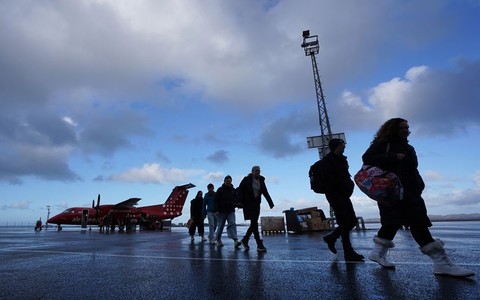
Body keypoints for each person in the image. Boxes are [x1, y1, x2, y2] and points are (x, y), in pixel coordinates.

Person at [362, 118, 474, 277]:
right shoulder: (384, 144)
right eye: (402, 127)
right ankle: (441, 263)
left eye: (407, 127)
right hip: (394, 192)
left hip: (409, 192)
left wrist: (419, 185)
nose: (406, 130)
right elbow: (367, 158)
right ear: (392, 129)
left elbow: (412, 170)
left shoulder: (408, 147)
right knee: (418, 224)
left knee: (392, 223)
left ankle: (378, 252)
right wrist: (394, 157)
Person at [321, 139, 364, 261]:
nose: (344, 146)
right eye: (342, 145)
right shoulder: (328, 161)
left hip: (344, 195)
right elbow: (329, 180)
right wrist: (341, 187)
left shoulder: (342, 159)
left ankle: (332, 237)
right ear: (337, 146)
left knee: (352, 221)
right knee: (345, 222)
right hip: (335, 195)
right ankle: (348, 252)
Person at [237, 166, 274, 252]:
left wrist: (270, 203)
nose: (258, 172)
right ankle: (259, 244)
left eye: (259, 171)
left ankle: (245, 240)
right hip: (248, 204)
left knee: (253, 224)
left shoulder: (261, 180)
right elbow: (240, 190)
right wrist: (239, 202)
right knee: (254, 223)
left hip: (256, 205)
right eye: (256, 171)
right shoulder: (247, 179)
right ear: (252, 172)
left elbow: (265, 192)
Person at [213, 175, 241, 249]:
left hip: (231, 210)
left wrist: (239, 204)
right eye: (227, 181)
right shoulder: (220, 190)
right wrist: (216, 210)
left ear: (231, 181)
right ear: (224, 181)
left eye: (229, 181)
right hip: (221, 211)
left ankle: (235, 240)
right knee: (220, 226)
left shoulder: (233, 190)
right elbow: (215, 200)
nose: (228, 182)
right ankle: (218, 240)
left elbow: (236, 199)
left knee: (232, 223)